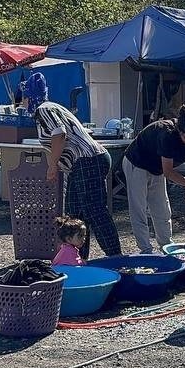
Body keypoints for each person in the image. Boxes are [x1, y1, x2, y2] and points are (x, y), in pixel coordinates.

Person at [32, 100, 122, 259]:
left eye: (24, 99)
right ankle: (76, 258)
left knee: (94, 210)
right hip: (78, 165)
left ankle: (116, 257)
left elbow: (60, 134)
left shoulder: (44, 109)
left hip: (88, 159)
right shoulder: (45, 114)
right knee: (75, 215)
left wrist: (52, 166)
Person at [121, 105, 185, 254]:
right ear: (180, 131)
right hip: (137, 163)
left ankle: (166, 245)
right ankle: (146, 250)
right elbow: (169, 172)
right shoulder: (167, 134)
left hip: (157, 168)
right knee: (139, 208)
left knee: (162, 207)